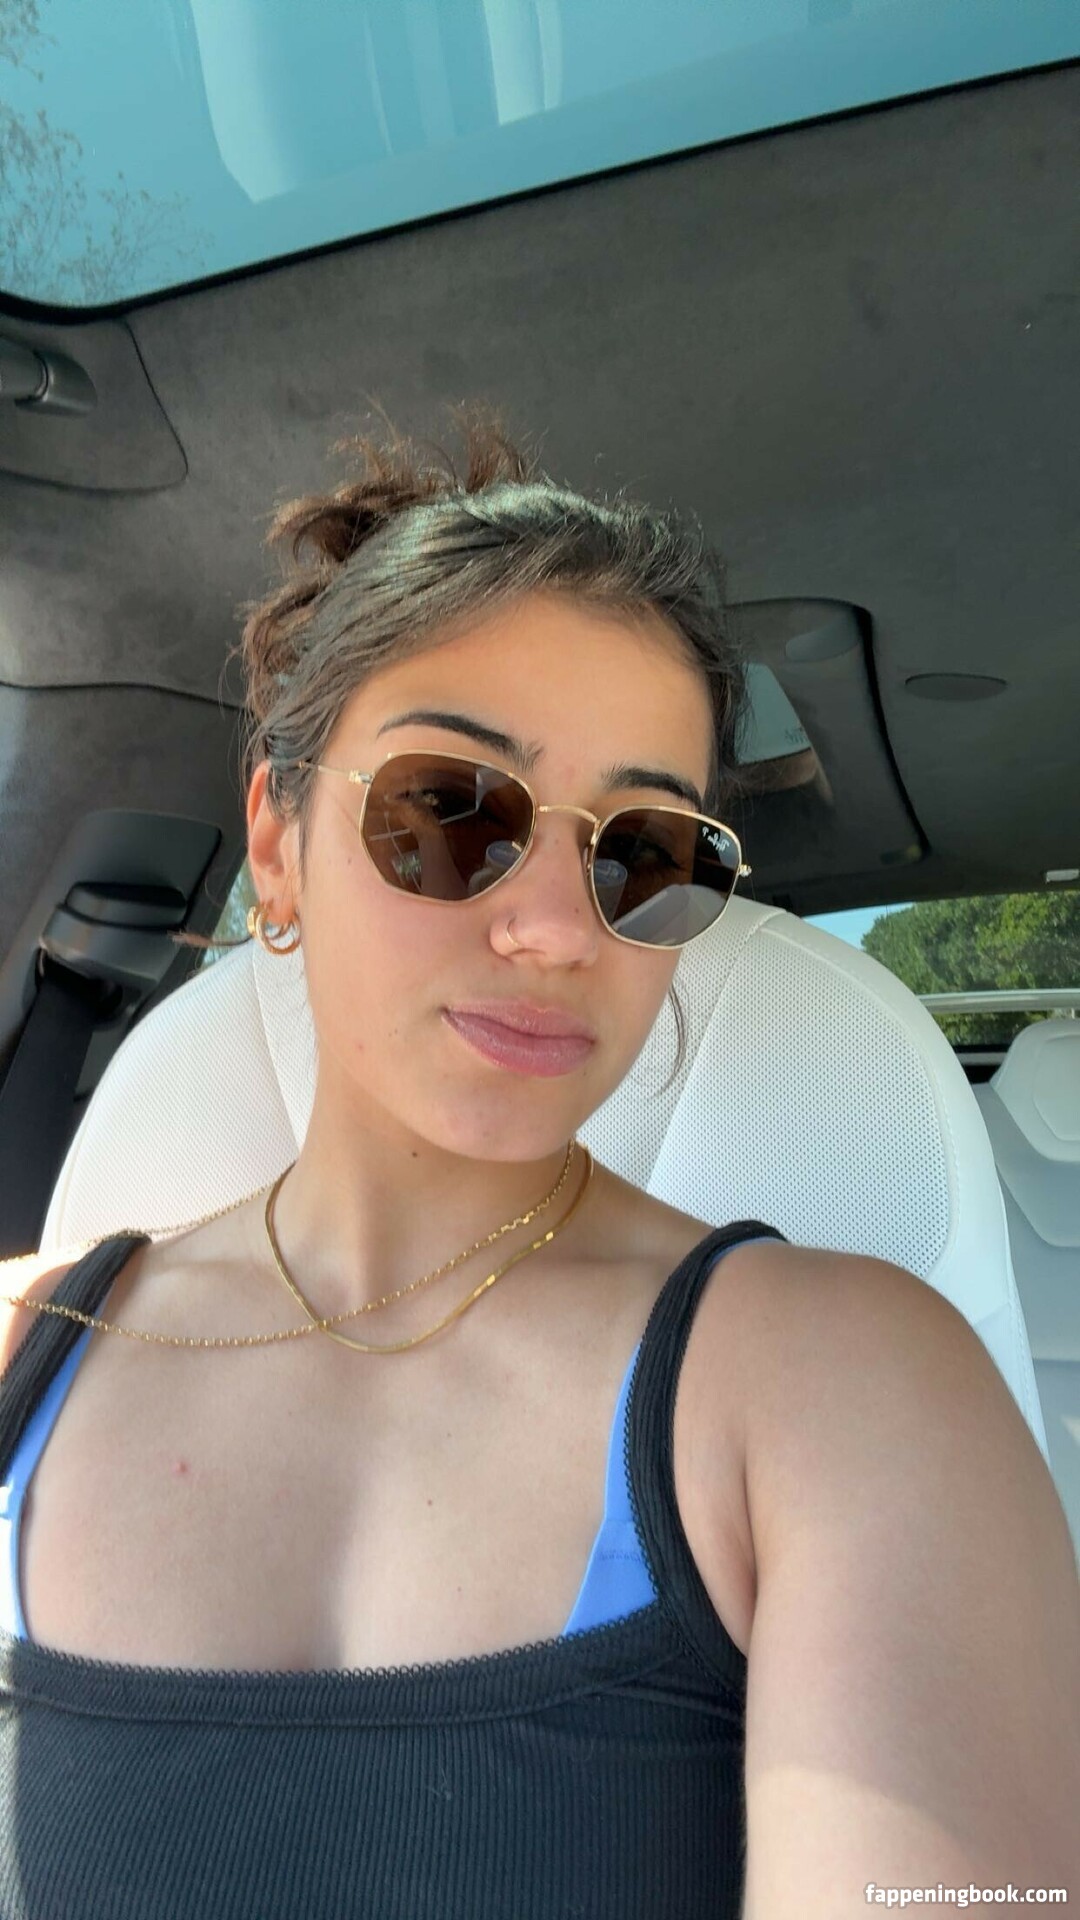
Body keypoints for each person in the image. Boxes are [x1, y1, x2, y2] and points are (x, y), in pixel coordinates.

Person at [0, 405, 1075, 1919]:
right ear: (277, 841)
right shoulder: (28, 1350)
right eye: (450, 812)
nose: (561, 928)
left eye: (646, 852)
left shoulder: (846, 1387)